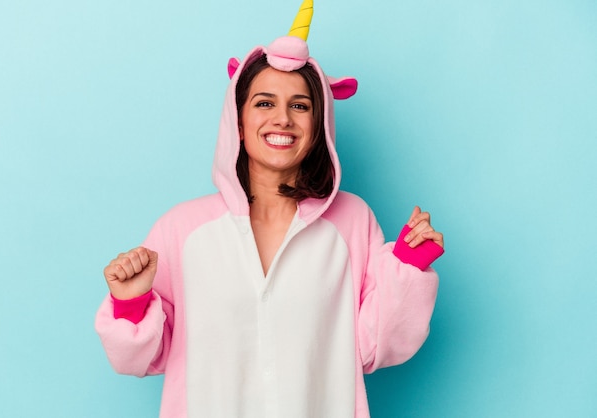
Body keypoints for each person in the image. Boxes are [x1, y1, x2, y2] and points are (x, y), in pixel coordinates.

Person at [95, 1, 444, 417]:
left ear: (319, 126)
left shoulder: (352, 221)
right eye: (264, 103)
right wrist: (132, 304)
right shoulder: (181, 229)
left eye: (300, 105)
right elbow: (139, 359)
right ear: (238, 122)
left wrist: (407, 267)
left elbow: (372, 347)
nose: (282, 119)